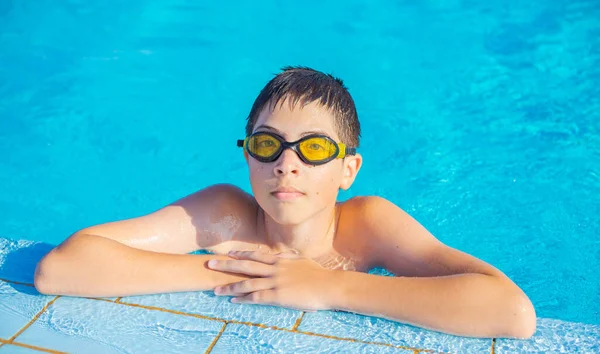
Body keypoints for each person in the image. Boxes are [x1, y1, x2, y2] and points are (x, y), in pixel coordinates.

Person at [34, 66, 536, 338]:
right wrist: (234, 273)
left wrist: (328, 285)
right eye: (268, 144)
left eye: (314, 148)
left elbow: (512, 312)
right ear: (249, 156)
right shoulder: (225, 215)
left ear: (347, 170)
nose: (286, 164)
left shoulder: (369, 226)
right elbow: (60, 269)